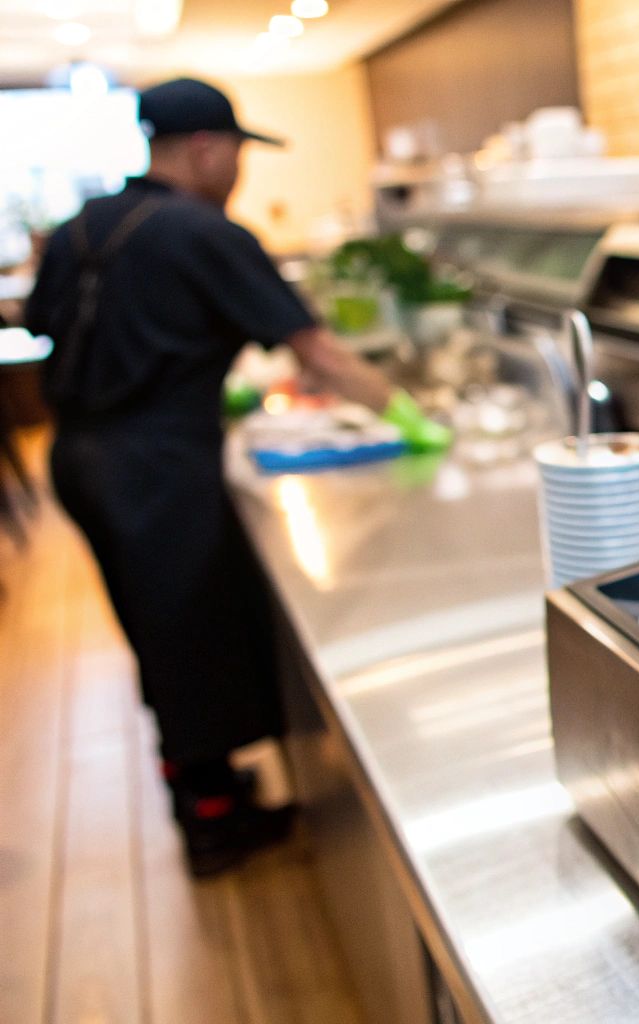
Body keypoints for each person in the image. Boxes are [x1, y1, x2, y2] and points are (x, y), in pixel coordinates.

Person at [24, 78, 449, 876]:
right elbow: (314, 349)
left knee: (152, 626)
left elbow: (55, 325)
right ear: (206, 149)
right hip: (153, 464)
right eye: (240, 154)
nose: (241, 173)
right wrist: (413, 415)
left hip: (78, 455)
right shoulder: (203, 231)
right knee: (187, 628)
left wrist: (189, 374)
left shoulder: (83, 224)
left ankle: (204, 786)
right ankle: (212, 821)